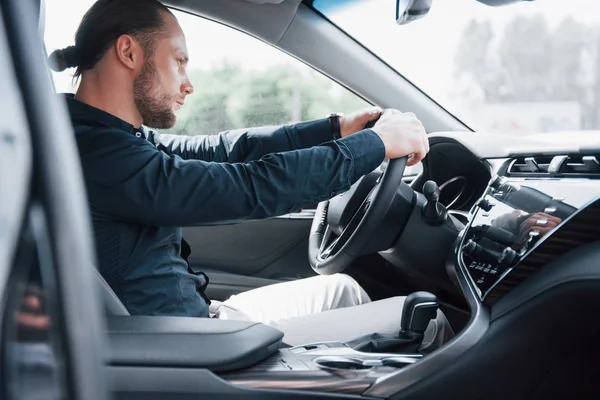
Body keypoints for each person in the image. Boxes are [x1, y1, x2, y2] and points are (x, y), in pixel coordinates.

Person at [48, 0, 452, 349]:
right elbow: (247, 186)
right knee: (426, 322)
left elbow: (228, 150)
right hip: (184, 346)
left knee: (345, 289)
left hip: (193, 321)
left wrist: (337, 128)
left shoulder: (112, 138)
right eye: (179, 61)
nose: (188, 84)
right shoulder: (96, 153)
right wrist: (376, 145)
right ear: (129, 53)